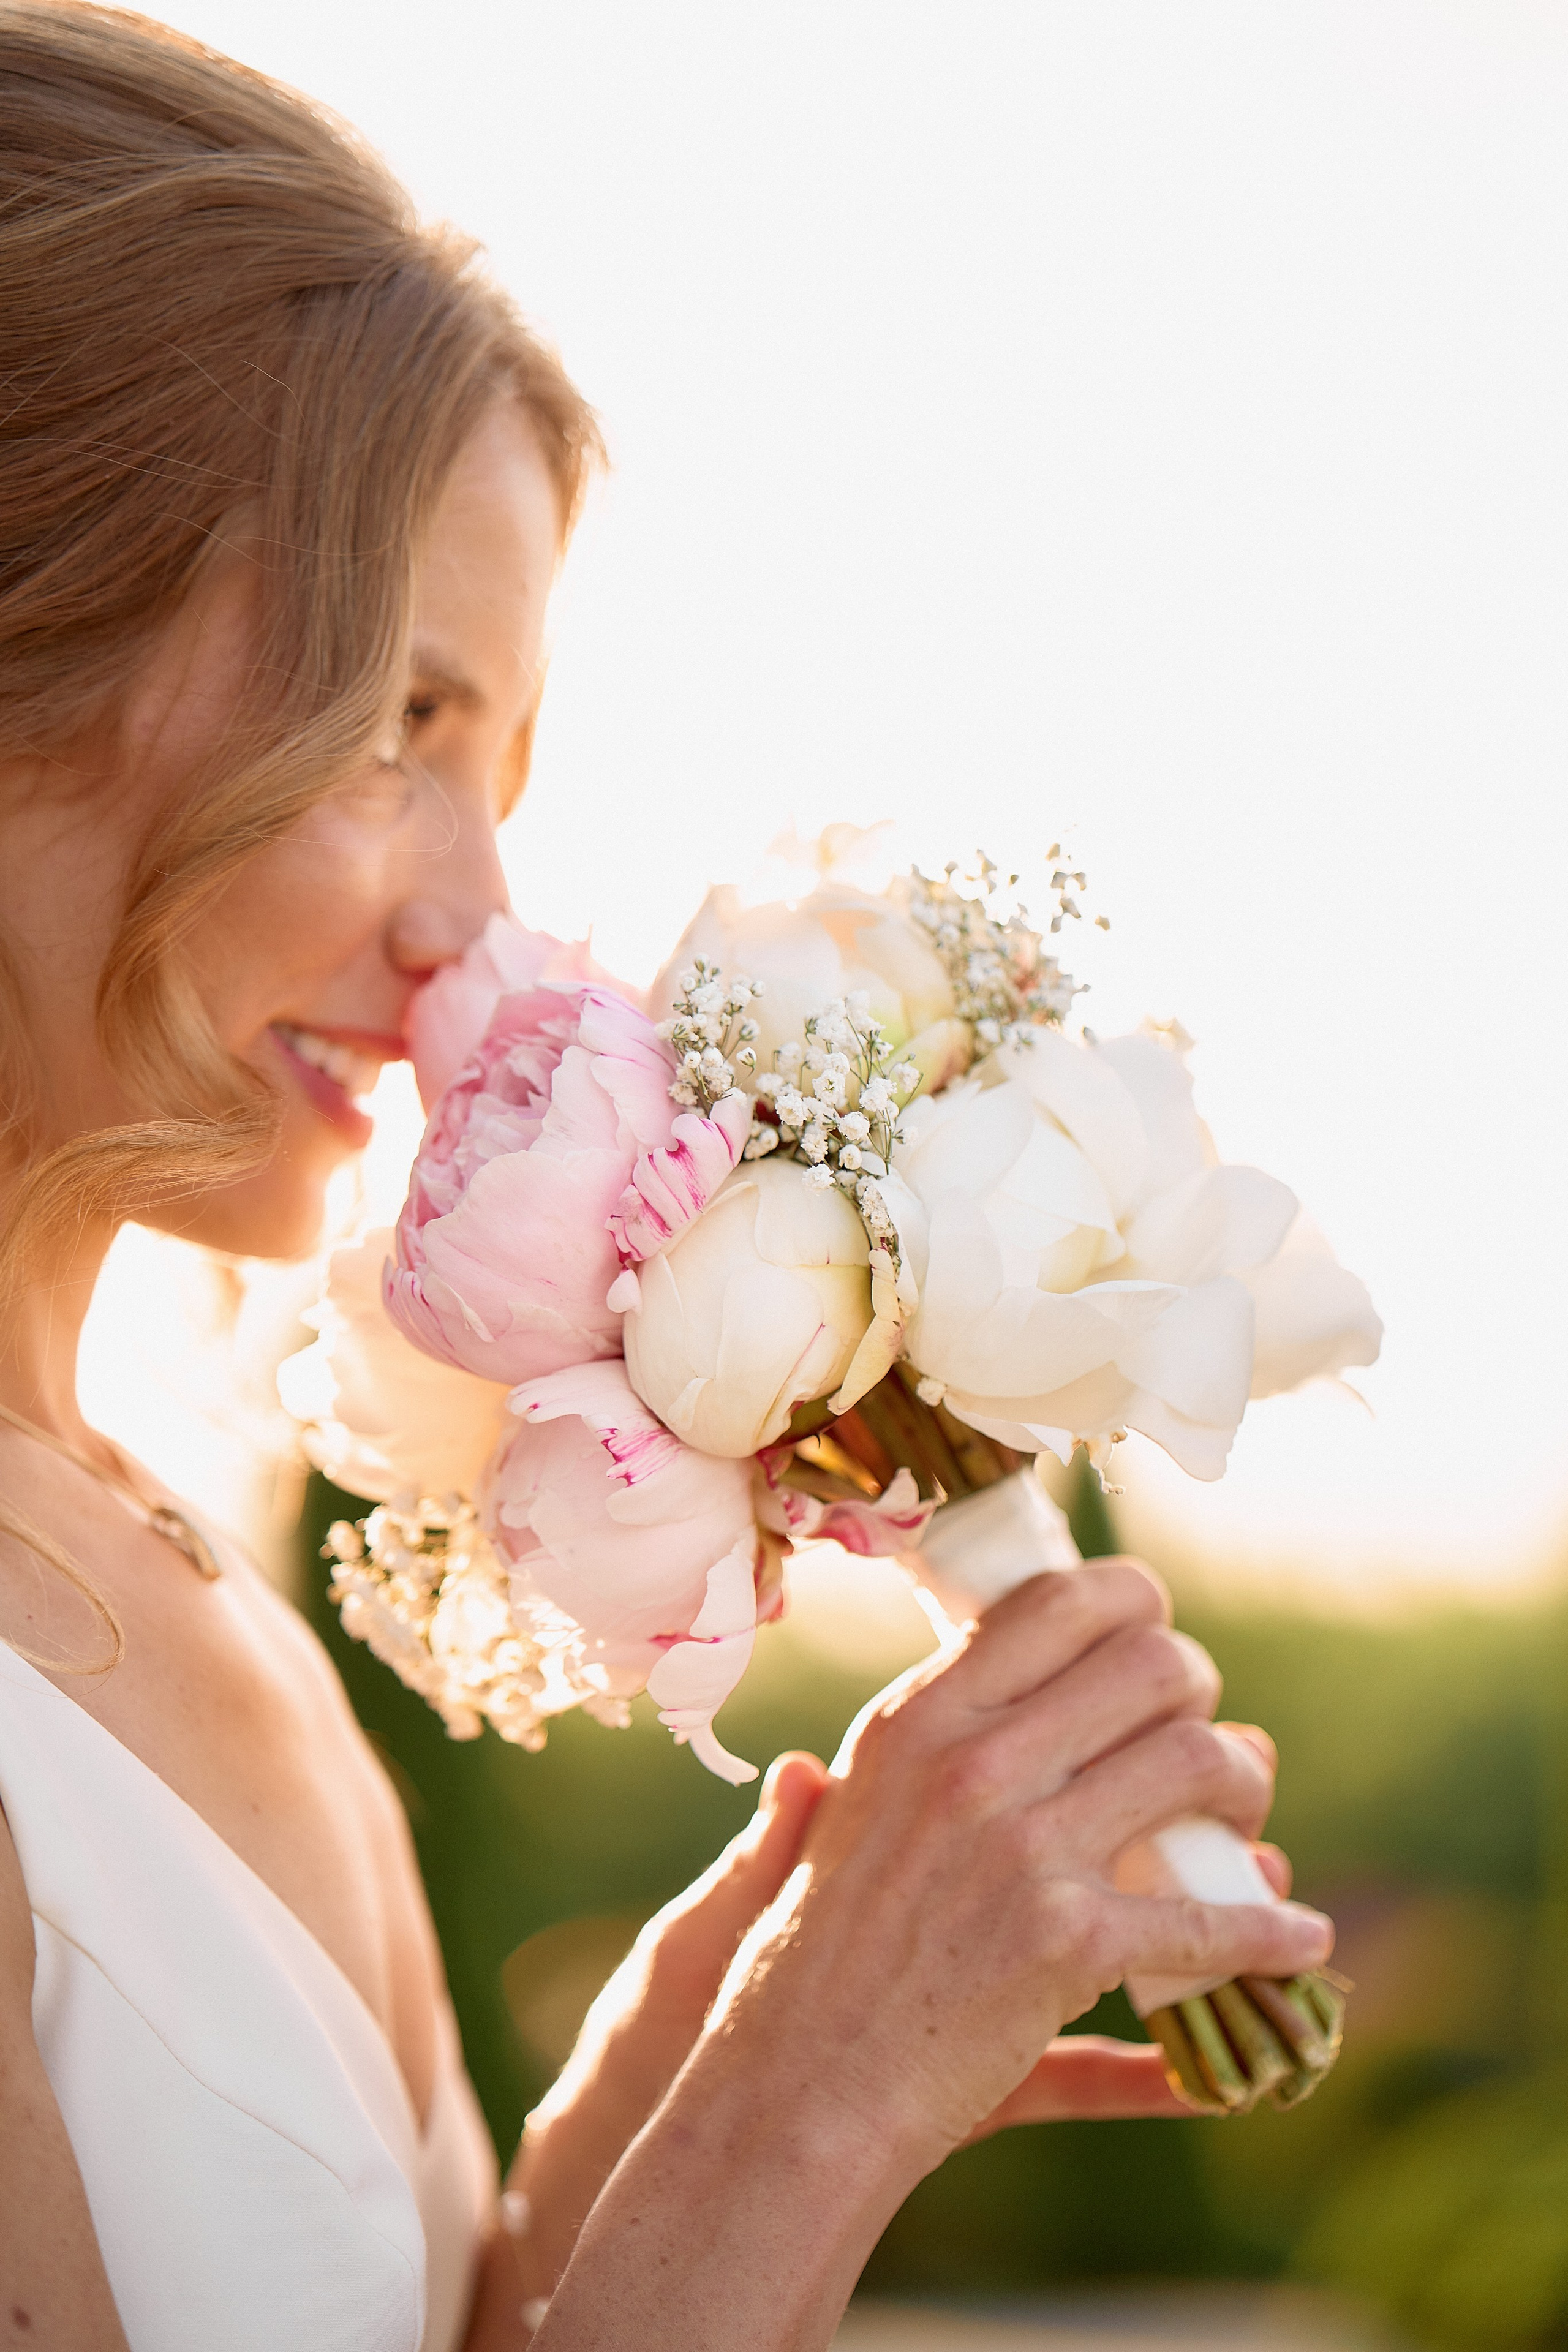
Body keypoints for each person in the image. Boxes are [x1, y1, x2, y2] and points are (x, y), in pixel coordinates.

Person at [0, 7, 1335, 2348]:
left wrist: (647, 2124)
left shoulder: (188, 1571)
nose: (474, 925)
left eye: (502, 763)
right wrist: (786, 2139)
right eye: (400, 719)